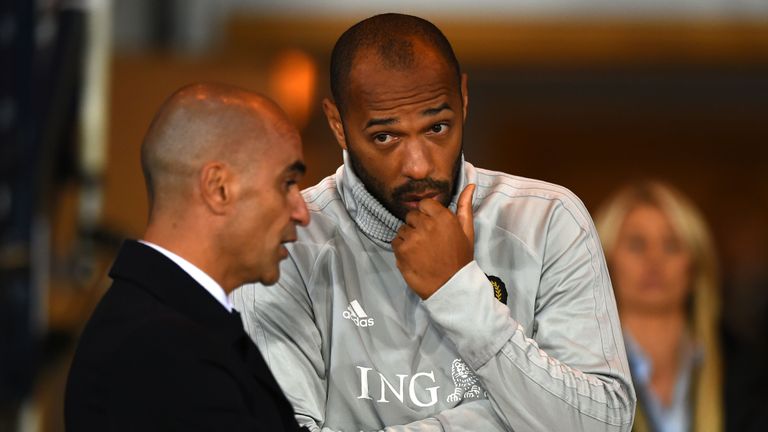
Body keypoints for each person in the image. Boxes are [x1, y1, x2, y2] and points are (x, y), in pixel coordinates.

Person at [233, 13, 635, 431]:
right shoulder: (289, 240)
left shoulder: (548, 219)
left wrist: (457, 291)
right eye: (385, 137)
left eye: (437, 127)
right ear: (338, 124)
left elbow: (603, 423)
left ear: (463, 97)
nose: (419, 166)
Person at [65, 83, 310, 431]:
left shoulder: (177, 326)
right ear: (218, 188)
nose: (302, 212)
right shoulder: (161, 348)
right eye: (287, 183)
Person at [594, 181, 723, 432]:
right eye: (637, 244)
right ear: (606, 262)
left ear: (695, 267)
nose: (654, 260)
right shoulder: (572, 369)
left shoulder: (747, 371)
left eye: (671, 245)